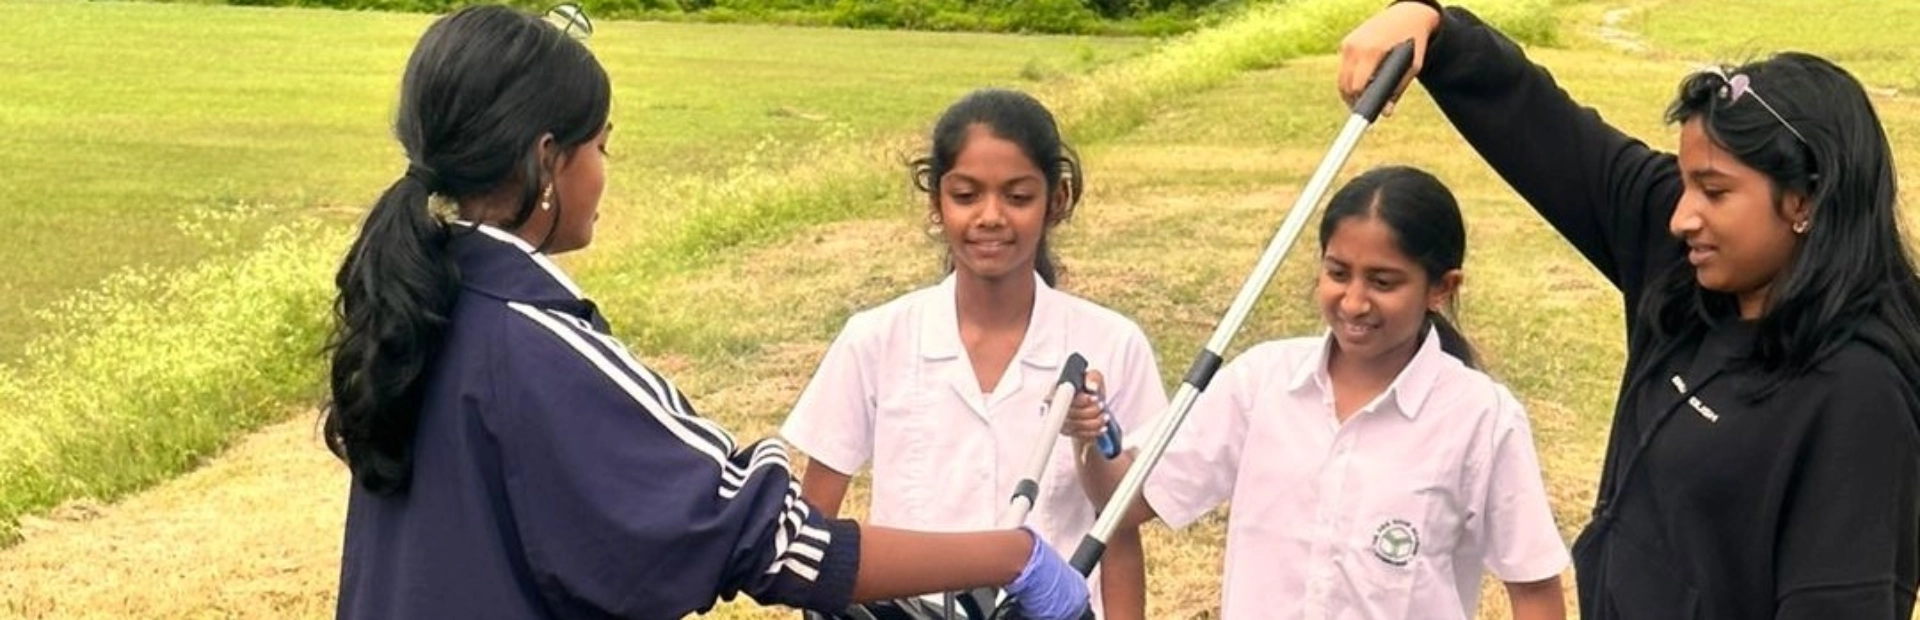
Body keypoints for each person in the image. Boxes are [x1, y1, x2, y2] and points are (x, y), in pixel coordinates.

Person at [322, 6, 1089, 619]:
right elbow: (773, 540)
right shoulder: (537, 346)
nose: (604, 171)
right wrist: (1012, 556)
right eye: (602, 146)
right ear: (547, 160)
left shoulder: (420, 313)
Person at [1337, 2, 1920, 618]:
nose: (1681, 215)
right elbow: (1547, 134)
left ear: (1805, 199)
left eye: (1714, 191)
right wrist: (1434, 28)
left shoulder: (1861, 396)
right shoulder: (1686, 266)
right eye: (1686, 182)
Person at [1064, 166, 1569, 619]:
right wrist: (1087, 433)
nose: (1353, 302)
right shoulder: (1261, 382)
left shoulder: (1481, 416)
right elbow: (1125, 504)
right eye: (1337, 273)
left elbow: (1534, 590)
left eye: (1383, 282)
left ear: (1441, 288)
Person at [779, 87, 1166, 620]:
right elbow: (813, 526)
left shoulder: (1112, 344)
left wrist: (1091, 439)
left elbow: (1118, 528)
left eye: (1018, 196)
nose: (990, 216)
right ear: (936, 202)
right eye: (966, 195)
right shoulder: (876, 339)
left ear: (1057, 201)